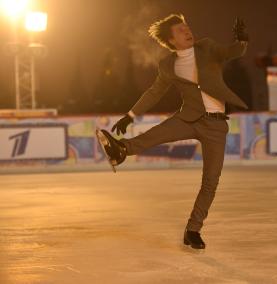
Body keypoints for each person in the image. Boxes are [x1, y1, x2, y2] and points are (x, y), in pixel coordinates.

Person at [97, 14, 249, 249]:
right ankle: (122, 149)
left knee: (210, 181)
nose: (187, 31)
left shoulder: (207, 47)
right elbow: (154, 92)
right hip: (189, 117)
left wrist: (241, 41)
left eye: (187, 27)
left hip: (216, 126)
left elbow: (231, 53)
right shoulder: (167, 65)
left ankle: (193, 230)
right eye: (180, 30)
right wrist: (131, 115)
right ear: (171, 40)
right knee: (159, 132)